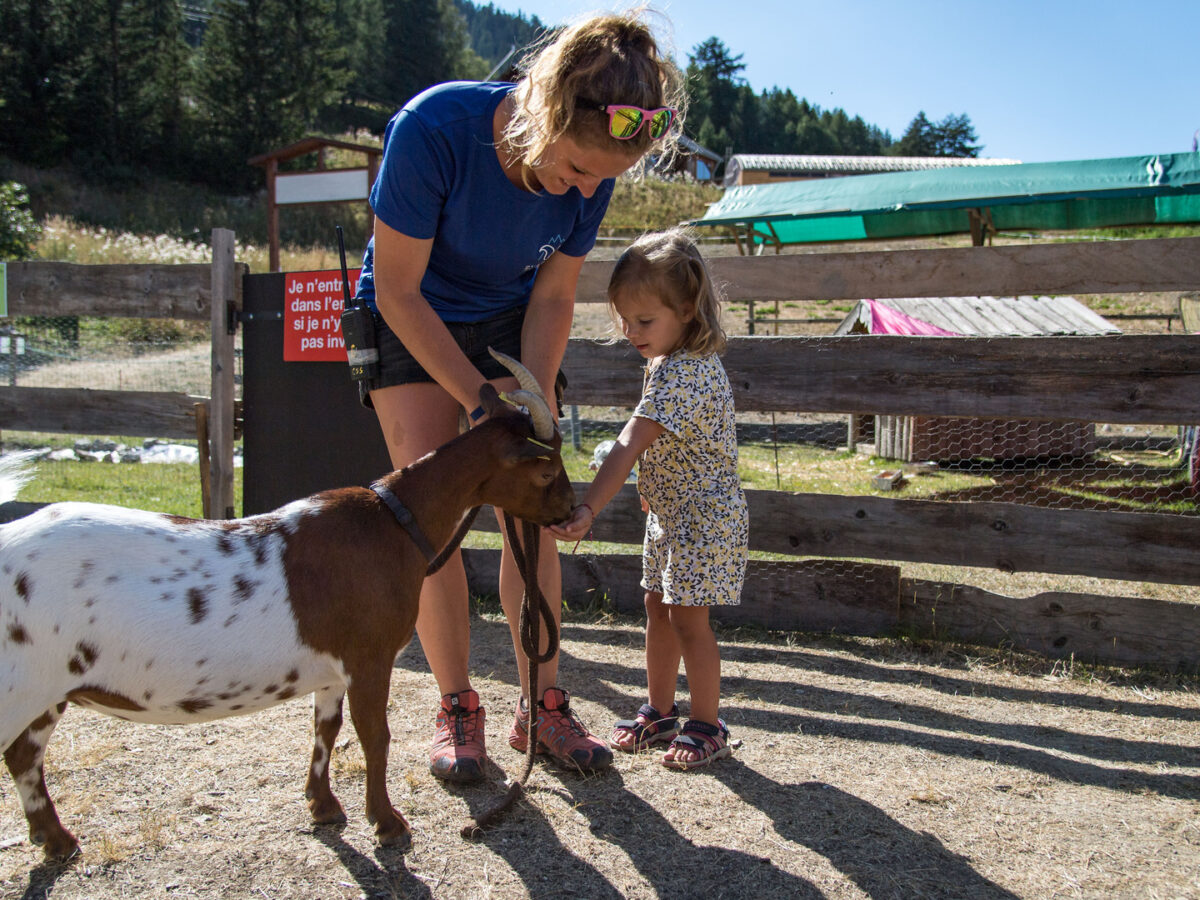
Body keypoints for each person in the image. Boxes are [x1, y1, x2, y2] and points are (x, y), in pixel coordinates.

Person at [351, 11, 686, 783]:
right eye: (575, 169)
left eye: (603, 179)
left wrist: (534, 403)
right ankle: (456, 705)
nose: (586, 190)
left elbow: (553, 300)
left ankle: (542, 702)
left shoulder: (591, 179)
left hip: (509, 315)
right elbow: (399, 291)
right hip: (413, 314)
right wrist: (476, 401)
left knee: (531, 514)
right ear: (544, 110)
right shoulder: (433, 129)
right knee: (430, 518)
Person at [547, 228, 748, 769]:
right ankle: (660, 710)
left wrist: (589, 506)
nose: (632, 332)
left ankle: (708, 724)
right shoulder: (665, 363)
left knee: (689, 620)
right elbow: (666, 445)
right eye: (625, 320)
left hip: (703, 519)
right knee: (657, 609)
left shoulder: (685, 372)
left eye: (644, 321)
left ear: (686, 309)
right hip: (671, 514)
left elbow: (632, 442)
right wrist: (652, 491)